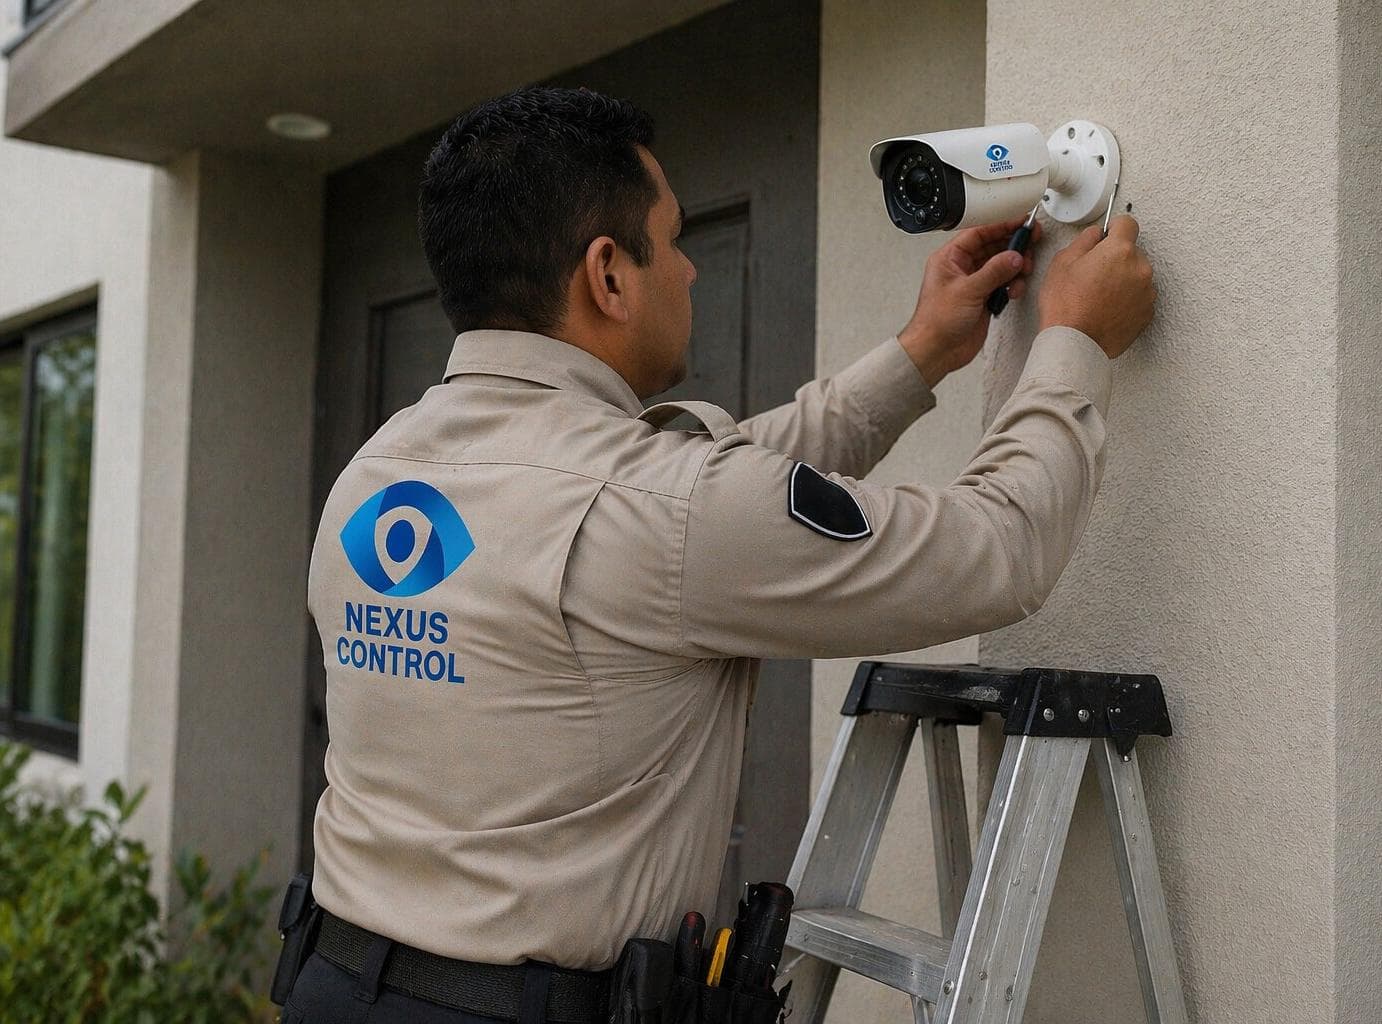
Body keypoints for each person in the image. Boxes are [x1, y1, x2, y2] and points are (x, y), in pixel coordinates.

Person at [278, 86, 1155, 1023]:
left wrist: (922, 353)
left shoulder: (376, 473)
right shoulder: (656, 508)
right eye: (674, 238)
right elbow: (999, 548)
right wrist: (1074, 341)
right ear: (608, 276)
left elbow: (712, 496)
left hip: (332, 983)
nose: (691, 270)